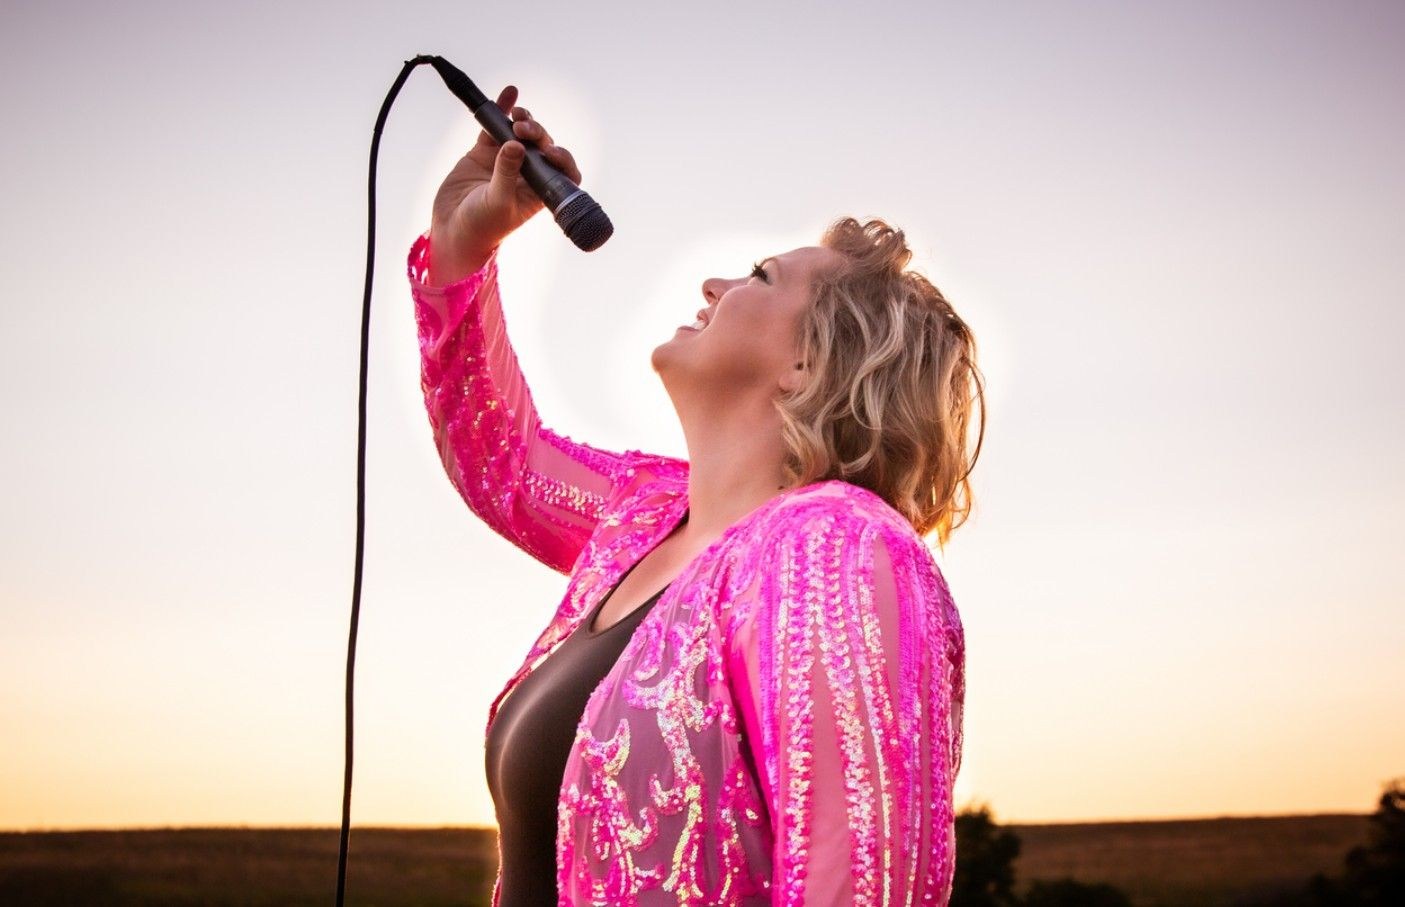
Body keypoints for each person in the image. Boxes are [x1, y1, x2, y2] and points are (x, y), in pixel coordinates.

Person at [408, 84, 983, 906]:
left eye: (759, 277)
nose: (714, 283)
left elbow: (858, 877)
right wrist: (462, 241)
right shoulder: (641, 514)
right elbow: (504, 459)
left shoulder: (838, 545)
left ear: (809, 362)